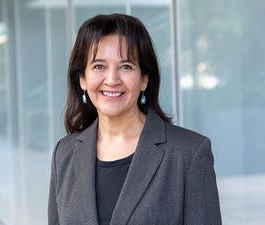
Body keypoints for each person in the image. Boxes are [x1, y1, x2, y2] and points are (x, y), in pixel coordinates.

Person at [48, 13, 222, 225]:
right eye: (99, 66)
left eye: (126, 66)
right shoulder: (64, 154)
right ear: (82, 79)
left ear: (144, 80)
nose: (112, 80)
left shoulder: (188, 154)